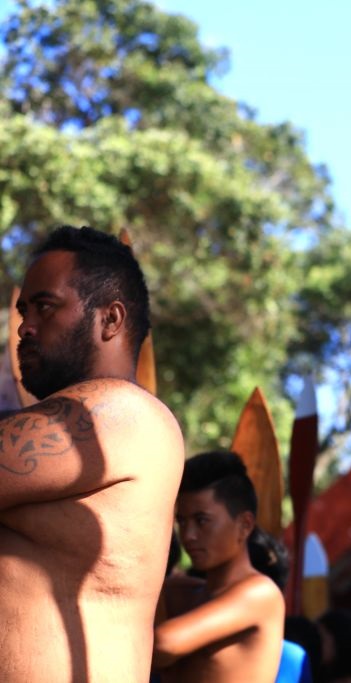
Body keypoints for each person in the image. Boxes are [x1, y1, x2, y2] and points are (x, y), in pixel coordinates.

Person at [1, 225, 184, 681]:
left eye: (45, 307)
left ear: (111, 319)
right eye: (25, 310)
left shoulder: (125, 415)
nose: (25, 326)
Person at [154, 450, 285, 682]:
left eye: (201, 520)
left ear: (245, 525)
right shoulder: (184, 592)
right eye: (182, 522)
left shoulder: (261, 594)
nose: (188, 535)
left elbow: (163, 645)